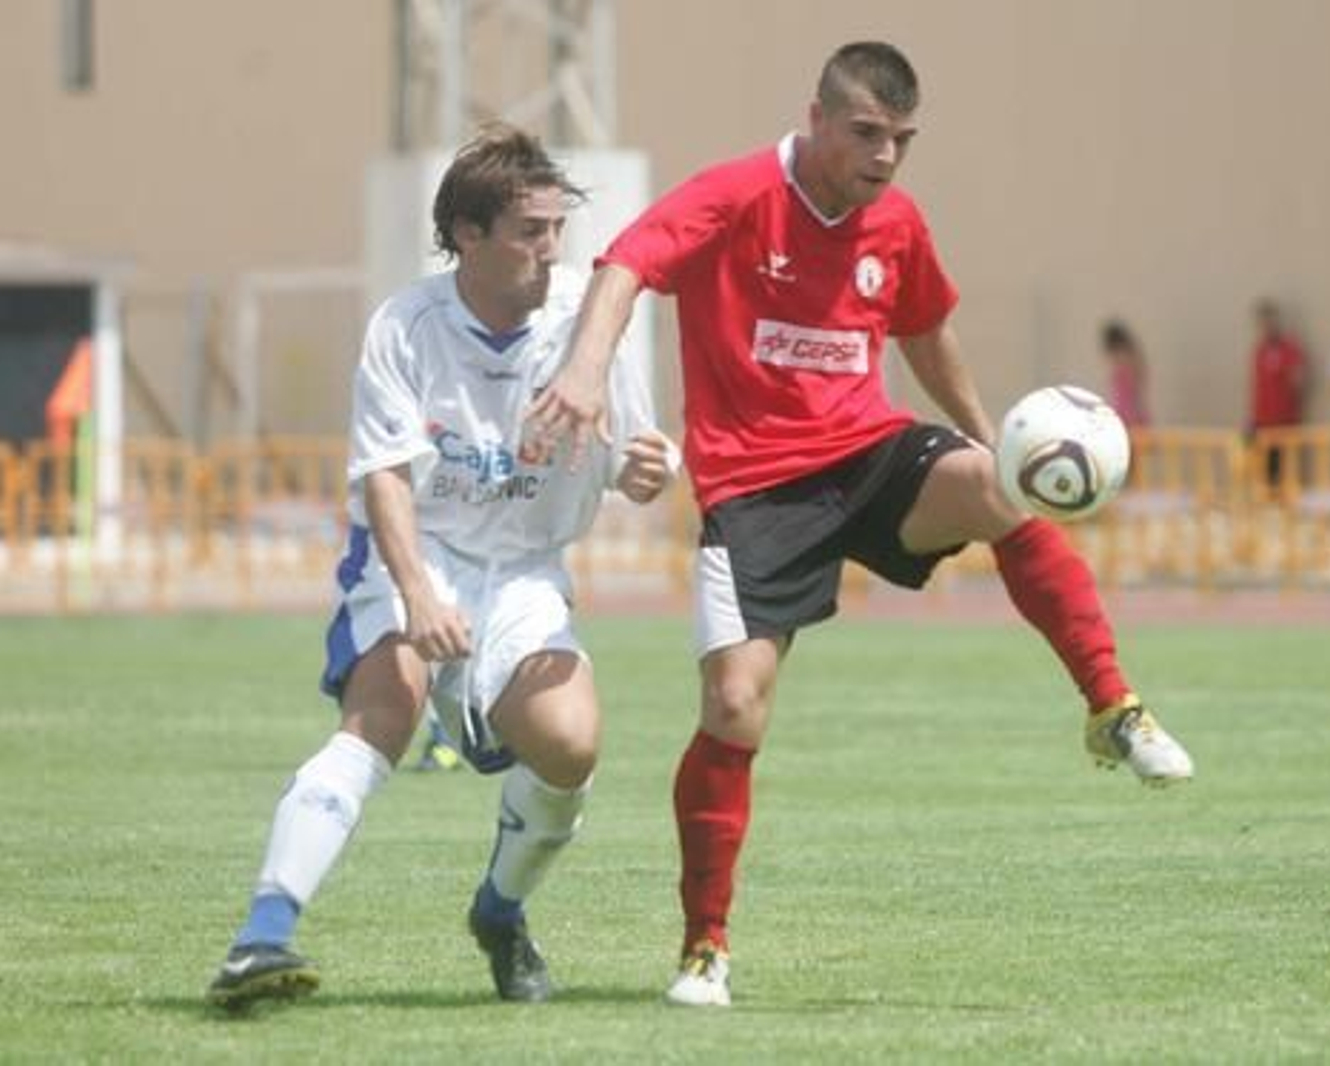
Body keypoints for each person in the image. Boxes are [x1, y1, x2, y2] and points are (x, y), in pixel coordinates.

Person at [524, 41, 1193, 1009]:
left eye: (902, 140)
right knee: (734, 709)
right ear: (819, 117)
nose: (885, 156)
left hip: (868, 451)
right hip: (754, 489)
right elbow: (626, 262)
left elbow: (923, 330)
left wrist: (982, 437)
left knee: (1003, 496)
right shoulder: (738, 193)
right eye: (867, 133)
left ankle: (1112, 708)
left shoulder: (898, 224)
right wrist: (586, 369)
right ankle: (704, 947)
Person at [205, 124, 678, 1010]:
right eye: (528, 230)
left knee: (571, 745)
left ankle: (499, 914)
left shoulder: (588, 317)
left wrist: (650, 471)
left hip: (528, 573)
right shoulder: (407, 326)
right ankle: (262, 937)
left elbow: (631, 463)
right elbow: (381, 476)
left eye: (556, 229)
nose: (550, 249)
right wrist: (418, 594)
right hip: (414, 553)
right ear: (466, 233)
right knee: (387, 707)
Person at [1245, 299, 1307, 487]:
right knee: (1262, 469)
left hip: (1284, 420)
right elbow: (1256, 388)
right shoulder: (1259, 350)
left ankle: (1280, 504)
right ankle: (1267, 504)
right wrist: (1251, 418)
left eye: (1270, 321)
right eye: (1263, 323)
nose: (1267, 326)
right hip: (1262, 420)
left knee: (1283, 467)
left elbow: (1298, 379)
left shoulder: (1289, 348)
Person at [1099, 318, 1151, 429]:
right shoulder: (1128, 364)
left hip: (1131, 418)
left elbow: (1133, 398)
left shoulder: (1129, 365)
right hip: (1126, 416)